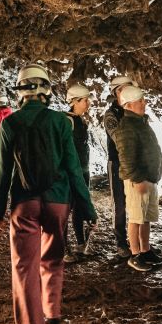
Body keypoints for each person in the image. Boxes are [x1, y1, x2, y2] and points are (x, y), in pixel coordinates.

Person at [0, 64, 97, 324]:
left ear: (20, 92)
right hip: (58, 201)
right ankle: (53, 312)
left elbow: (2, 173)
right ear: (46, 91)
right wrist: (87, 208)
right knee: (53, 259)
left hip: (26, 202)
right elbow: (74, 169)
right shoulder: (62, 123)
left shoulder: (11, 124)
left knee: (24, 266)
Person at [112, 85, 162, 272]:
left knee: (146, 217)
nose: (144, 103)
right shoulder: (127, 127)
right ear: (129, 104)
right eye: (140, 101)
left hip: (148, 179)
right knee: (135, 218)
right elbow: (126, 158)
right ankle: (135, 255)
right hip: (138, 181)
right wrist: (138, 179)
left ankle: (146, 250)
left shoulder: (141, 122)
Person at [104, 75, 136, 259]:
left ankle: (135, 241)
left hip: (131, 161)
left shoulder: (131, 110)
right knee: (120, 203)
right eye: (124, 88)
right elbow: (119, 139)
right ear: (116, 92)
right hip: (116, 162)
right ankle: (120, 242)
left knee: (134, 202)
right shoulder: (111, 114)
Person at [63, 84, 93, 263]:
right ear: (75, 101)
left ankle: (81, 243)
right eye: (85, 100)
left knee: (80, 207)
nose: (88, 103)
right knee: (66, 209)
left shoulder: (80, 120)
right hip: (71, 172)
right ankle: (64, 248)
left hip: (83, 171)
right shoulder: (68, 121)